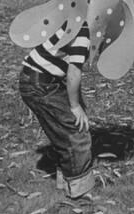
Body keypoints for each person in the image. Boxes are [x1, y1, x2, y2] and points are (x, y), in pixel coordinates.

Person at [18, 20, 94, 199]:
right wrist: (74, 106)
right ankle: (80, 191)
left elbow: (70, 69)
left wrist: (77, 103)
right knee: (75, 133)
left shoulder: (73, 21)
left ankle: (65, 181)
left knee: (64, 130)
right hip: (41, 84)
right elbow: (74, 72)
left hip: (38, 80)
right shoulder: (83, 31)